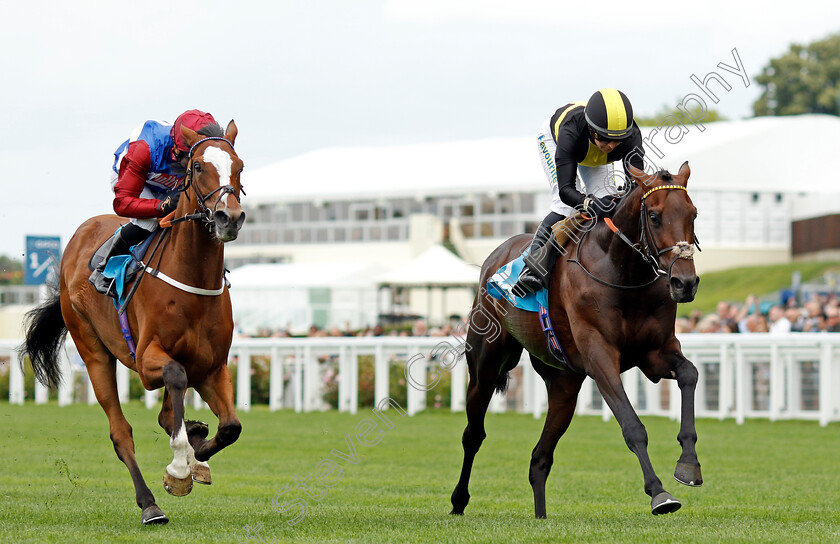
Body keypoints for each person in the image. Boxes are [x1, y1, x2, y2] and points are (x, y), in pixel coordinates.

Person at [514, 88, 645, 295]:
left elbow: (635, 184)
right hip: (557, 141)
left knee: (609, 200)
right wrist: (589, 203)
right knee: (563, 206)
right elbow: (567, 190)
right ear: (593, 131)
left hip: (590, 150)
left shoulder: (632, 136)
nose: (611, 145)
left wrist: (620, 197)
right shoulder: (570, 131)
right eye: (605, 138)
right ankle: (532, 266)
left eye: (617, 140)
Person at [89, 110, 221, 294]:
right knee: (150, 222)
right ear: (176, 148)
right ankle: (103, 270)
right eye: (188, 157)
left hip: (168, 184)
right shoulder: (144, 148)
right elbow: (122, 204)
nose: (190, 162)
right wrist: (162, 206)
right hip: (136, 180)